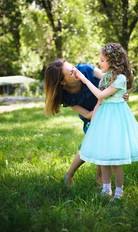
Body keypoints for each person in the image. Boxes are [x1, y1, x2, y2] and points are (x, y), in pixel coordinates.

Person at [73, 43, 138, 199]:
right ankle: (106, 189)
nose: (99, 63)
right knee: (103, 156)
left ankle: (119, 192)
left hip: (116, 118)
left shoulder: (120, 78)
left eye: (102, 60)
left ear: (113, 61)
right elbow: (99, 103)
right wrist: (94, 120)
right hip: (104, 117)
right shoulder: (106, 77)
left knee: (115, 159)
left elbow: (100, 95)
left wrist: (85, 80)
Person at [44, 58, 128, 186]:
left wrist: (119, 92)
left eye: (73, 68)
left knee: (104, 144)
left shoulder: (86, 70)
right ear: (62, 82)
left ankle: (100, 178)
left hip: (110, 110)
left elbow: (109, 80)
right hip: (92, 116)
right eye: (71, 73)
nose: (76, 72)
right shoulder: (66, 96)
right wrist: (100, 105)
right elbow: (88, 114)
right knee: (94, 143)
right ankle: (70, 174)